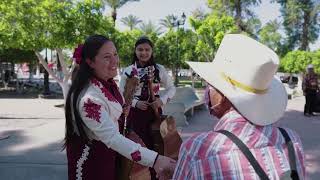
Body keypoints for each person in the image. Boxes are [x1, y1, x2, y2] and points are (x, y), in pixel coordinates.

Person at [173, 34, 306, 179]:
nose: (207, 91)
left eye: (211, 85)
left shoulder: (197, 150)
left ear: (223, 95)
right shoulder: (292, 141)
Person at [64, 34, 176, 180]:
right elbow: (113, 138)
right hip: (94, 162)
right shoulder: (89, 100)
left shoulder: (107, 82)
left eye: (115, 54)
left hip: (111, 153)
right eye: (106, 57)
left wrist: (127, 107)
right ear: (90, 62)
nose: (114, 60)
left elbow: (118, 105)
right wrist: (156, 160)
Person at [119, 36, 176, 179]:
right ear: (135, 51)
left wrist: (161, 101)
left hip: (155, 112)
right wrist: (135, 103)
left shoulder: (159, 69)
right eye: (140, 49)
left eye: (147, 49)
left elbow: (171, 89)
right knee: (138, 145)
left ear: (151, 51)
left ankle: (157, 174)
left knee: (157, 144)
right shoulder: (128, 70)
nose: (143, 53)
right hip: (136, 114)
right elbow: (121, 93)